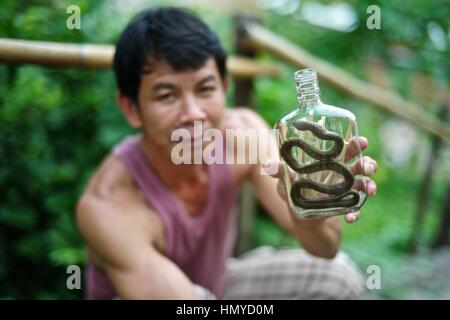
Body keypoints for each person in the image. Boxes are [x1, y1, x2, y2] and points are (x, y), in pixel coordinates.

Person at [76, 7, 378, 300]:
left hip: (217, 284)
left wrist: (309, 209)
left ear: (223, 86)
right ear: (131, 108)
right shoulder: (109, 205)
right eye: (167, 95)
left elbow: (326, 249)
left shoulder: (243, 136)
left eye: (205, 89)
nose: (193, 114)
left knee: (336, 276)